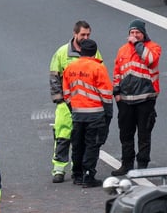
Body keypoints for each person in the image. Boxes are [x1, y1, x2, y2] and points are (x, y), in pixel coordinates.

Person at [49, 21, 98, 183]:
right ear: (75, 34)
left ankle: (78, 169)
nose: (86, 38)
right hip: (66, 103)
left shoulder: (94, 51)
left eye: (88, 35)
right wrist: (59, 100)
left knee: (82, 137)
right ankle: (59, 169)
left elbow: (99, 74)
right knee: (62, 135)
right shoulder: (62, 52)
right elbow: (54, 76)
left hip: (85, 104)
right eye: (83, 34)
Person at [111, 19, 161, 175]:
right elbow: (117, 71)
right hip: (126, 100)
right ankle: (126, 164)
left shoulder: (153, 47)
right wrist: (116, 92)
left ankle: (142, 164)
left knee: (144, 134)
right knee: (125, 134)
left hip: (145, 98)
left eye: (137, 32)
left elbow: (150, 60)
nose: (134, 35)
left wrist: (137, 44)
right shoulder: (122, 50)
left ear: (143, 34)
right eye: (131, 32)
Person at [62, 38, 113, 187]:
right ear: (94, 53)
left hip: (77, 114)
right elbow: (106, 93)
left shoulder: (70, 68)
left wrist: (73, 108)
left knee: (78, 145)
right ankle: (88, 176)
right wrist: (108, 113)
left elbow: (66, 93)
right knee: (92, 145)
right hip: (95, 114)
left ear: (80, 51)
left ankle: (77, 175)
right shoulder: (98, 68)